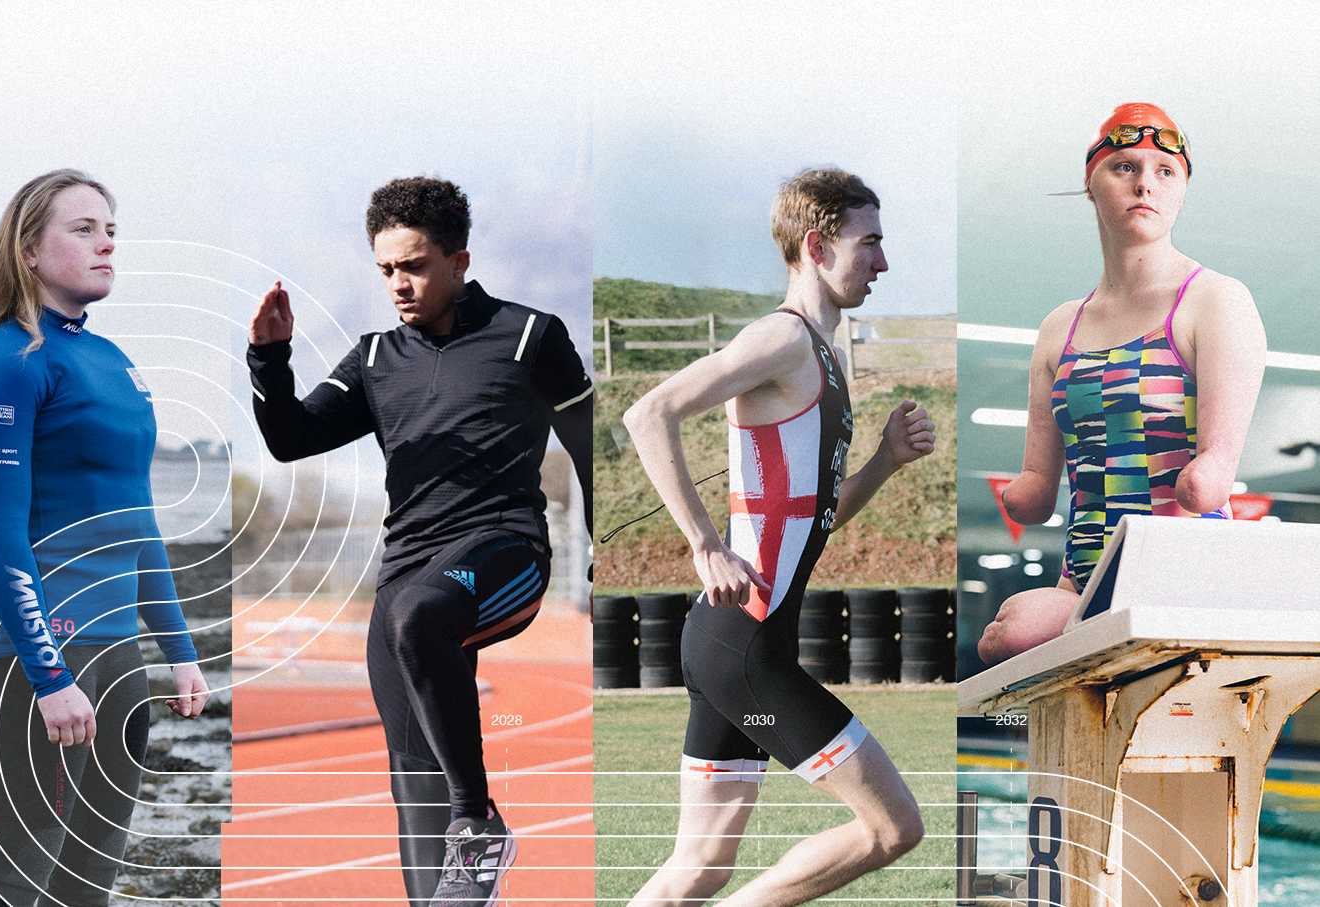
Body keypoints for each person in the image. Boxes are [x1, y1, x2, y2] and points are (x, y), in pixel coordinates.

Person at [246, 176, 593, 906]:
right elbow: (288, 439)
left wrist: (607, 561)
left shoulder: (533, 337)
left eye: (414, 265)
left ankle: (480, 821)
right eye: (385, 270)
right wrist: (269, 360)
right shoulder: (375, 360)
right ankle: (460, 858)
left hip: (505, 552)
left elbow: (595, 451)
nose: (398, 284)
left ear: (459, 259)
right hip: (406, 578)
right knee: (417, 814)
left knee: (419, 617)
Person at [620, 169, 931, 906]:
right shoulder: (782, 338)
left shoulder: (823, 355)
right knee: (892, 828)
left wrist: (886, 460)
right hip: (745, 650)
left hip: (732, 645)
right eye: (871, 244)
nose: (883, 263)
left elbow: (815, 516)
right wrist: (703, 542)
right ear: (818, 245)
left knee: (697, 866)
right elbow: (649, 413)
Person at [0, 169, 211, 907]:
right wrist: (50, 677)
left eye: (111, 229)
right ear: (27, 250)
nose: (105, 242)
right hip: (33, 648)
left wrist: (177, 650)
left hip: (115, 649)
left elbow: (136, 521)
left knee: (88, 879)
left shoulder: (114, 361)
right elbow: (2, 539)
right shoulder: (5, 360)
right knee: (19, 869)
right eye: (82, 229)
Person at [978, 104, 1265, 665]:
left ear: (1183, 189)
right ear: (1091, 183)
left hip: (1180, 574)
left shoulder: (1215, 301)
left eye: (1165, 171)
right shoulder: (1060, 327)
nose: (1145, 185)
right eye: (1124, 167)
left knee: (1021, 635)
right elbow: (1037, 485)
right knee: (1006, 637)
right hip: (1080, 581)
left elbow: (1214, 468)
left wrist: (1208, 472)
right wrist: (1025, 491)